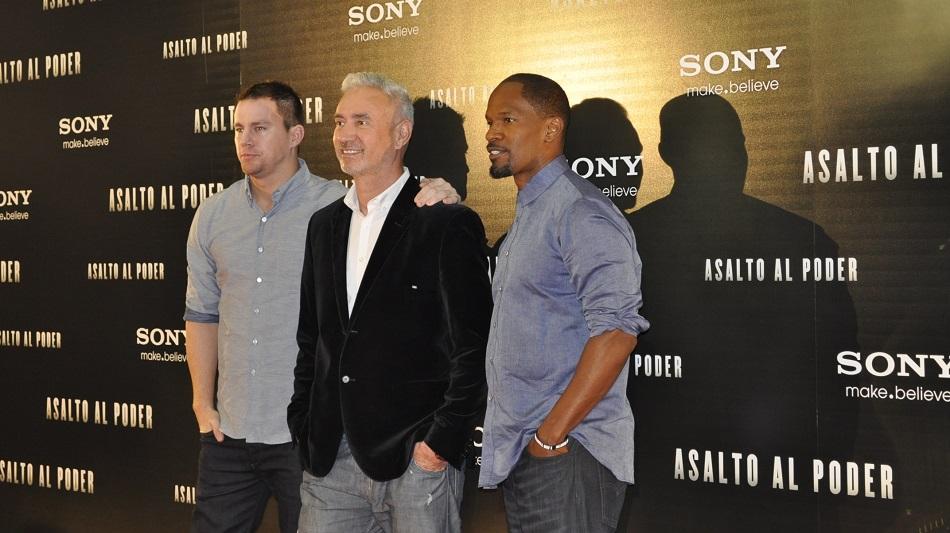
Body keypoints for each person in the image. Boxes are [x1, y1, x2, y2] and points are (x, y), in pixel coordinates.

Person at [184, 80, 459, 533]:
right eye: (238, 129)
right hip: (228, 433)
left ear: (295, 134)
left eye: (260, 128)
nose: (245, 140)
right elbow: (202, 314)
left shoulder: (340, 208)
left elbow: (400, 211)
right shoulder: (212, 215)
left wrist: (437, 191)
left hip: (310, 439)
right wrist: (201, 403)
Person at [287, 72, 492, 533]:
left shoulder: (444, 223)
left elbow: (473, 348)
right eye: (340, 122)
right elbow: (312, 340)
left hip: (416, 463)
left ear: (401, 133)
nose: (345, 135)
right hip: (329, 462)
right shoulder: (323, 226)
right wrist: (304, 421)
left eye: (362, 122)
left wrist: (438, 445)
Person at [477, 73, 649, 533]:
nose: (492, 133)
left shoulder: (580, 210)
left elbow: (616, 334)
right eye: (490, 122)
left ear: (551, 129)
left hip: (568, 453)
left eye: (508, 120)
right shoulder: (532, 212)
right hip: (529, 453)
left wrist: (550, 436)